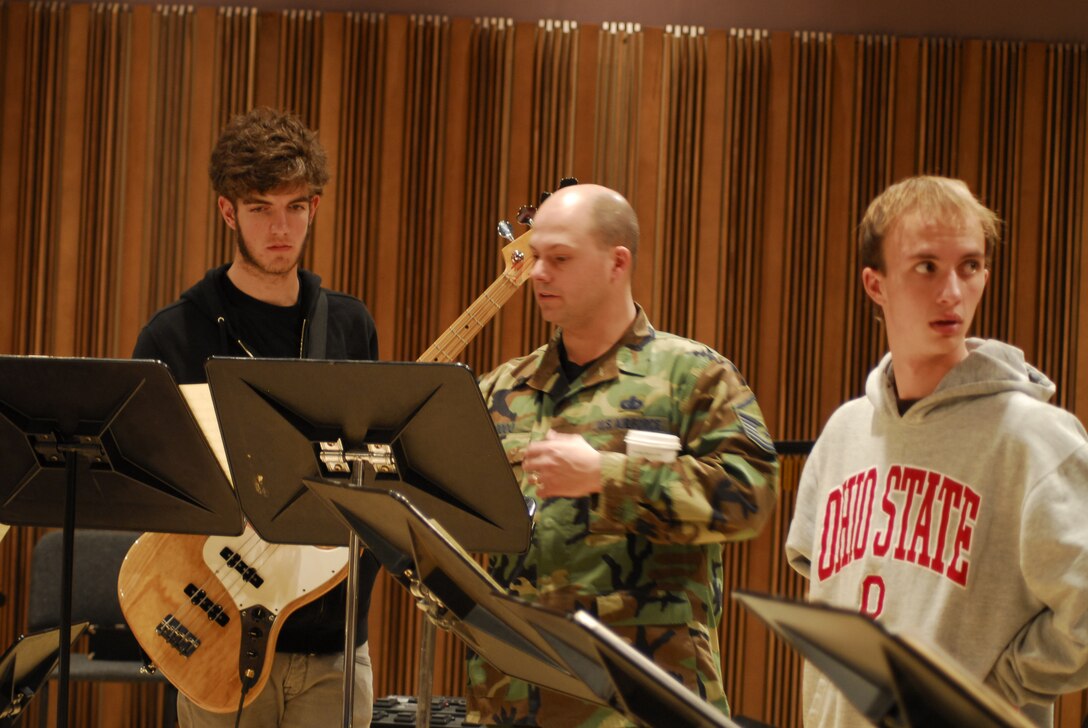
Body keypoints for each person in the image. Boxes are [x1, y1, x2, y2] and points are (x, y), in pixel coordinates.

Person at [466, 183, 780, 725]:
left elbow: (750, 498)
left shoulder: (694, 376)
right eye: (536, 256)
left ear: (618, 263)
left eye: (559, 259)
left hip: (644, 702)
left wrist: (605, 475)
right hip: (511, 702)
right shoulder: (499, 391)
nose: (538, 273)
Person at [785, 175, 1088, 727]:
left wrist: (999, 685)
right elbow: (827, 598)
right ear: (875, 285)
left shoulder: (1038, 439)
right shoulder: (844, 433)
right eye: (927, 267)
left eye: (969, 266)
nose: (952, 292)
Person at [133, 107, 380, 727]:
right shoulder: (175, 334)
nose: (281, 227)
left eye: (295, 207)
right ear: (227, 211)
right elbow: (149, 490)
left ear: (314, 208)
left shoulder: (350, 327)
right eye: (261, 208)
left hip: (330, 640)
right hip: (214, 624)